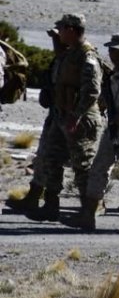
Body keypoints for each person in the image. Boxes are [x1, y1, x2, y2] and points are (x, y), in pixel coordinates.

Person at [62, 33, 119, 234]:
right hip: (115, 129)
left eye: (114, 50)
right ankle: (88, 214)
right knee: (99, 168)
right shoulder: (118, 72)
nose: (110, 53)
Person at [35, 14, 103, 219]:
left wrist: (77, 115)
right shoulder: (70, 53)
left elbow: (92, 91)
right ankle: (51, 205)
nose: (59, 32)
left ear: (72, 30)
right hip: (62, 115)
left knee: (83, 166)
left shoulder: (87, 56)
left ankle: (87, 212)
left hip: (80, 119)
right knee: (51, 158)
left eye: (62, 28)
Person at [9, 27, 66, 219]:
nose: (55, 41)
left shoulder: (78, 60)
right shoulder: (60, 60)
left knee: (72, 163)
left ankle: (89, 206)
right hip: (57, 115)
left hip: (72, 119)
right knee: (44, 157)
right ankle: (35, 197)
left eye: (59, 37)